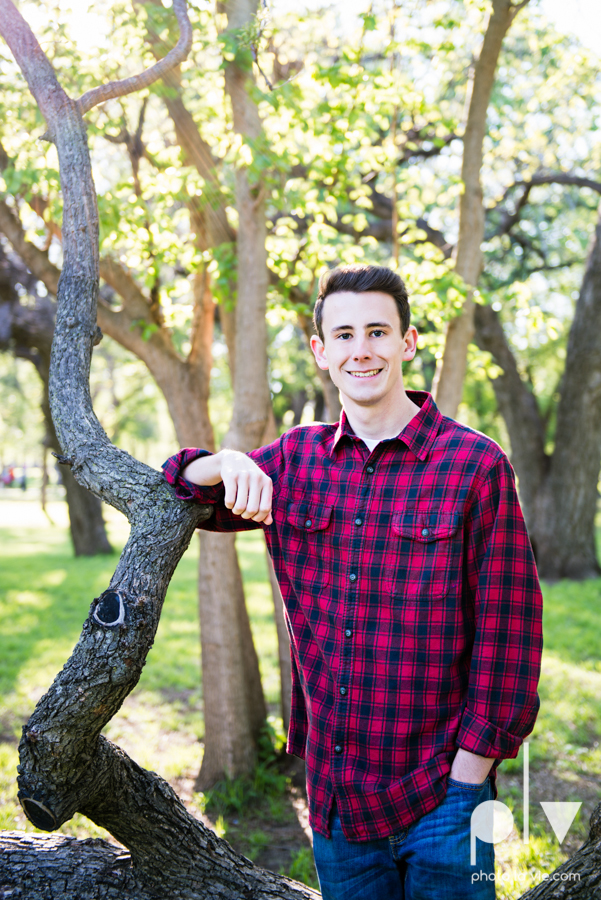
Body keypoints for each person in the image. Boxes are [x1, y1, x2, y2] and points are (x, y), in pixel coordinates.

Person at [163, 264, 543, 900]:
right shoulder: (293, 462)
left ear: (407, 342)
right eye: (343, 335)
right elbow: (179, 485)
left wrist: (470, 774)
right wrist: (225, 460)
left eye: (376, 331)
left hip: (444, 798)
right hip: (336, 801)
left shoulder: (474, 467)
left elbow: (511, 636)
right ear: (320, 352)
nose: (360, 349)